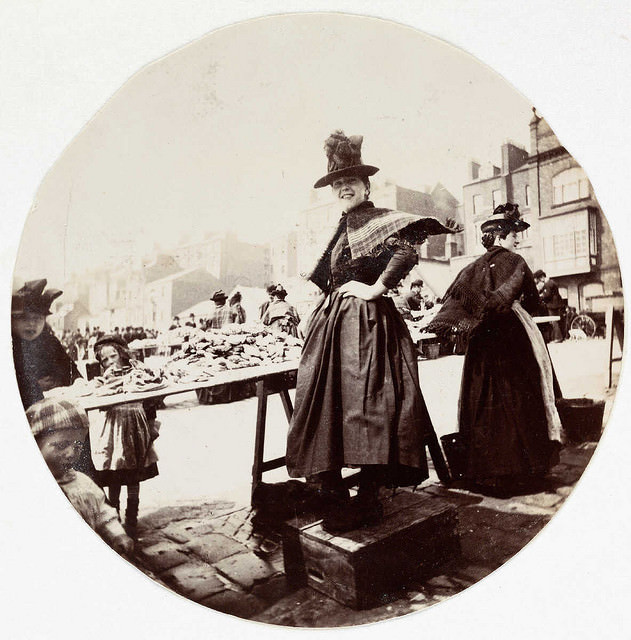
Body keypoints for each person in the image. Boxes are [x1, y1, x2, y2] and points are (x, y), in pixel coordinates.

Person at [286, 130, 458, 532]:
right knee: (323, 399)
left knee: (367, 404)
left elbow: (407, 250)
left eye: (351, 182)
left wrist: (374, 289)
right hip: (334, 327)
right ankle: (333, 492)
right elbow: (330, 277)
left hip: (366, 327)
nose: (344, 188)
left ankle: (369, 497)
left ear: (367, 186)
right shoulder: (344, 226)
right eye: (337, 184)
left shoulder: (377, 220)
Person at [427, 203, 564, 496]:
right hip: (513, 336)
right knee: (521, 392)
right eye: (514, 233)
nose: (517, 238)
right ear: (501, 234)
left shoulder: (470, 269)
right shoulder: (516, 262)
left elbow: (455, 308)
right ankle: (526, 466)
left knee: (483, 396)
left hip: (482, 342)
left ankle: (487, 469)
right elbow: (530, 301)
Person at [26, 398, 134, 556]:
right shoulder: (29, 488)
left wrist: (117, 534)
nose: (71, 454)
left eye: (78, 446)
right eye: (61, 445)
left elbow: (102, 512)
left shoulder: (82, 482)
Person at [91, 334, 160, 538]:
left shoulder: (138, 372)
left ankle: (132, 518)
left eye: (113, 356)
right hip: (114, 430)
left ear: (122, 353)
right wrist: (106, 383)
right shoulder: (103, 379)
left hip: (135, 427)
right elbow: (100, 404)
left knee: (134, 475)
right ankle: (114, 516)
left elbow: (150, 399)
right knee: (114, 473)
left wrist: (150, 427)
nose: (110, 362)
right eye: (104, 360)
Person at [11, 279, 82, 409]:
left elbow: (71, 371)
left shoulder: (50, 343)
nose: (32, 324)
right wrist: (34, 388)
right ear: (12, 319)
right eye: (25, 318)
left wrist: (77, 382)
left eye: (37, 318)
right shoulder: (7, 345)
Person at [534, 269, 565, 343]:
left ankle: (558, 338)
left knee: (553, 321)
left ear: (542, 277)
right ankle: (560, 337)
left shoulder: (548, 284)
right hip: (557, 304)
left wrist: (539, 296)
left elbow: (547, 295)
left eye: (539, 279)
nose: (540, 281)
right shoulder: (552, 282)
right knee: (557, 320)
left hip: (552, 305)